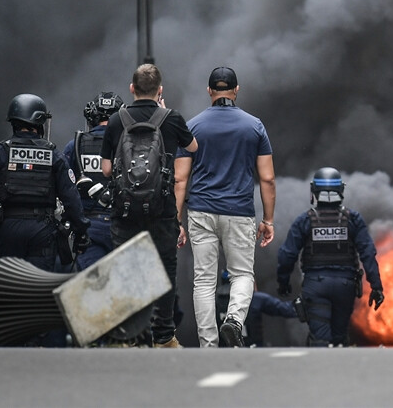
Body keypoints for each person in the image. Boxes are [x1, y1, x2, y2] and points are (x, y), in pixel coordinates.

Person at [173, 67, 276, 348]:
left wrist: (176, 220)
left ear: (209, 91)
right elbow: (267, 178)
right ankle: (233, 320)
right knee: (242, 274)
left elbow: (180, 178)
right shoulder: (254, 126)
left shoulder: (192, 126)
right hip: (239, 211)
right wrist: (268, 219)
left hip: (201, 211)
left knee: (203, 282)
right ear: (236, 90)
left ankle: (209, 346)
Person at [100, 63, 197, 348]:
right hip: (162, 209)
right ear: (160, 90)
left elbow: (106, 169)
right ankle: (164, 337)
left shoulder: (117, 120)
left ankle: (125, 337)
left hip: (125, 208)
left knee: (125, 268)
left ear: (132, 89)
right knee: (165, 270)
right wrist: (165, 116)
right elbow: (193, 148)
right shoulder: (172, 118)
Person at [0, 95, 89, 273]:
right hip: (42, 231)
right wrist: (81, 230)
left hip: (8, 229)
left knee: (5, 285)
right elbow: (70, 197)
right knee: (37, 289)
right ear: (39, 121)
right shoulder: (54, 155)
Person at [276, 167, 384, 347]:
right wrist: (376, 286)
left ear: (314, 191)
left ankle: (322, 371)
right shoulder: (353, 219)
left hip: (316, 286)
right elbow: (368, 253)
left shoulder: (305, 220)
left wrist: (283, 282)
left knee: (320, 339)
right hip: (345, 287)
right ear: (340, 190)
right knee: (340, 337)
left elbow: (287, 254)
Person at [62, 92, 124, 270]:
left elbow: (63, 187)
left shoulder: (75, 145)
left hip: (88, 227)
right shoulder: (128, 146)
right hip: (121, 226)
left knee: (92, 286)